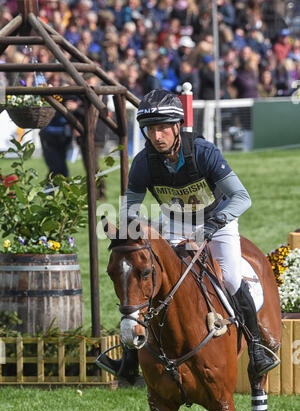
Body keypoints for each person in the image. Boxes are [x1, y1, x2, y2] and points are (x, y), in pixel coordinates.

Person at [97, 89, 279, 383]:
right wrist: (125, 234)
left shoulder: (204, 153)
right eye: (151, 129)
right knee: (145, 277)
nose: (157, 136)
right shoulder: (143, 162)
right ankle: (129, 360)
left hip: (216, 222)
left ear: (177, 127)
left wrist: (211, 227)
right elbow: (129, 208)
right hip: (173, 223)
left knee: (230, 279)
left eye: (163, 128)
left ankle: (257, 348)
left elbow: (242, 198)